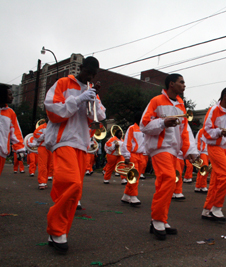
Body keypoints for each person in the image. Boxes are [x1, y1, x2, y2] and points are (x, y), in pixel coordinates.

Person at [44, 56, 106, 253]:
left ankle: (59, 231)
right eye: (88, 72)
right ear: (81, 68)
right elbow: (53, 110)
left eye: (94, 74)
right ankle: (56, 228)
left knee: (74, 192)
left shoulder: (92, 91)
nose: (90, 76)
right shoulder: (63, 83)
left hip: (81, 143)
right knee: (72, 183)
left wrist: (93, 98)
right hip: (63, 140)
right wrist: (78, 99)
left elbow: (101, 116)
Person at [140, 73, 198, 240]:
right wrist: (163, 123)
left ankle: (159, 219)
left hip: (174, 150)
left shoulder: (181, 105)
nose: (184, 85)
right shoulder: (156, 101)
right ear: (171, 84)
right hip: (159, 148)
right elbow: (144, 124)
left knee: (167, 183)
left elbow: (185, 131)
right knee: (168, 178)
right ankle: (158, 219)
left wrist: (190, 151)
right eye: (182, 82)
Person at [201, 87, 226, 222]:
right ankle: (216, 208)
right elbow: (206, 130)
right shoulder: (213, 110)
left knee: (216, 181)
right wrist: (219, 132)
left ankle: (207, 209)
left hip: (225, 148)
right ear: (225, 95)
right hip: (215, 146)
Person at [120, 119, 149, 206]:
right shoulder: (132, 128)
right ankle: (133, 196)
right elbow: (127, 143)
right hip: (133, 155)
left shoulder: (146, 129)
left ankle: (126, 195)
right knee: (134, 176)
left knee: (137, 176)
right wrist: (127, 155)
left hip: (142, 155)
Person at [0, 84, 25, 176]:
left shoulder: (10, 113)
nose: (12, 97)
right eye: (10, 95)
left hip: (1, 152)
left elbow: (16, 132)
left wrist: (20, 149)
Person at [34, 118, 54, 189]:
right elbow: (36, 136)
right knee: (43, 164)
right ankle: (42, 182)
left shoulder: (55, 126)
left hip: (51, 148)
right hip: (42, 147)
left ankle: (45, 180)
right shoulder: (41, 127)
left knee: (49, 164)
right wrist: (44, 136)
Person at [194, 127, 209, 193]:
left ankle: (198, 186)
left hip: (208, 153)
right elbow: (197, 142)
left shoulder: (210, 131)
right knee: (205, 169)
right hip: (202, 152)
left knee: (202, 170)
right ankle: (203, 186)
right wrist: (198, 153)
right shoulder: (201, 131)